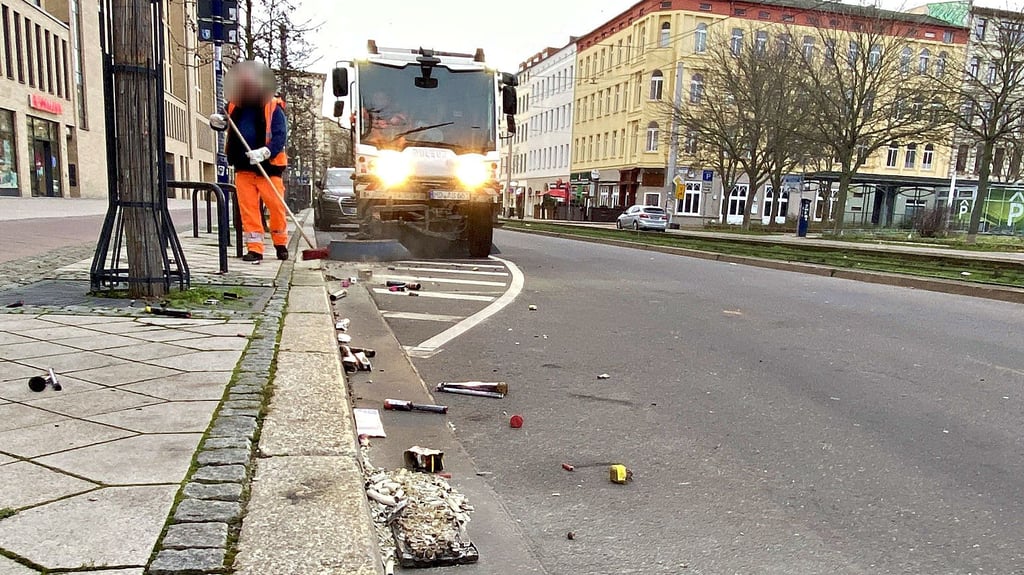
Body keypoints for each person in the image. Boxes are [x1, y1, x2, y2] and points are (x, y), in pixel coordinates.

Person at [210, 61, 289, 263]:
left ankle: (280, 244)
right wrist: (218, 122)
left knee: (276, 208)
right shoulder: (233, 105)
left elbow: (280, 136)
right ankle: (255, 249)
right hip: (243, 167)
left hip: (268, 169)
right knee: (249, 210)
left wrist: (265, 152)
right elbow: (224, 121)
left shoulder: (273, 107)